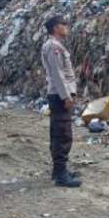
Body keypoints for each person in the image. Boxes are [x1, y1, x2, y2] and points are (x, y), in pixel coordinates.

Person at [41, 15, 82, 188]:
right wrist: (66, 96)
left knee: (57, 132)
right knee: (63, 134)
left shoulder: (54, 46)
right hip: (59, 95)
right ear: (56, 28)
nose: (66, 28)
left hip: (57, 94)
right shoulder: (54, 47)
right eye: (64, 25)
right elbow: (58, 74)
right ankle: (60, 176)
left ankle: (59, 171)